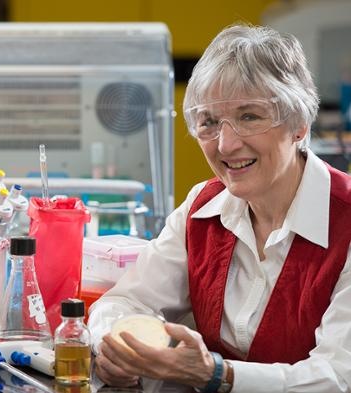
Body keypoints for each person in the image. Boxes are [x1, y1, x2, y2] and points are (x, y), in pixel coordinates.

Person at [88, 24, 351, 393]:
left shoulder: (346, 222)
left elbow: (338, 377)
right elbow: (124, 301)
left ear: (299, 124)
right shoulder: (203, 208)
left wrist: (218, 375)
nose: (226, 145)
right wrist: (115, 348)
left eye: (249, 117)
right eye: (209, 122)